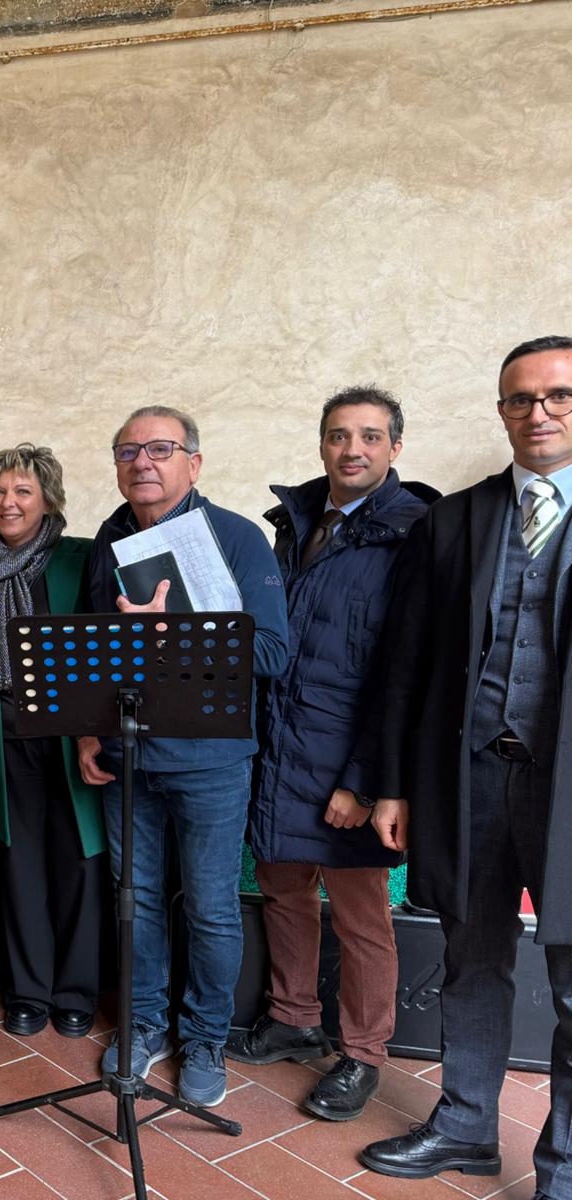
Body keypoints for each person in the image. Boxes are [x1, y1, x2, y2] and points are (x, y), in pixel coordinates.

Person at [360, 336, 572, 1192]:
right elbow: (404, 661)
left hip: (570, 794)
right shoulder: (455, 518)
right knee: (470, 958)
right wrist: (391, 782)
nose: (540, 412)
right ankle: (465, 1126)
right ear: (500, 412)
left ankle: (564, 1165)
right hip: (470, 777)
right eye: (520, 399)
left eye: (558, 394)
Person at [228, 389, 435, 1121]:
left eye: (370, 436)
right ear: (321, 444)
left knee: (359, 914)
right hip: (281, 744)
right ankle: (291, 1016)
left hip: (349, 754)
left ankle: (362, 1055)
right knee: (283, 888)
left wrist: (366, 780)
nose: (353, 449)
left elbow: (400, 668)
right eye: (340, 435)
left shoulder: (414, 533)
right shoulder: (294, 523)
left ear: (394, 449)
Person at [77, 404, 288, 1108]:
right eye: (128, 448)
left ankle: (203, 1035)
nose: (142, 461)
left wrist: (172, 633)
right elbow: (83, 651)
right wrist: (84, 733)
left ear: (193, 463)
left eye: (160, 448)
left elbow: (271, 653)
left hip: (211, 761)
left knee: (209, 908)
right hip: (124, 757)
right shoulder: (105, 543)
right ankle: (142, 1025)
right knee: (132, 902)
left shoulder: (236, 538)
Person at [0, 444, 109, 1041]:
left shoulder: (82, 558)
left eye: (22, 491)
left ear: (47, 499)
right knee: (19, 863)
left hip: (74, 736)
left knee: (79, 863)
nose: (8, 502)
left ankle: (75, 991)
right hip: (6, 732)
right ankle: (27, 990)